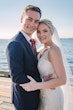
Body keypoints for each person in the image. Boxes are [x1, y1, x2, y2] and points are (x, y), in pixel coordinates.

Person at [20, 19, 67, 110]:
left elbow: (62, 80)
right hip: (42, 93)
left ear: (51, 32)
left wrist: (36, 85)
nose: (41, 35)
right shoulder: (41, 50)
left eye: (45, 31)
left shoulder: (54, 50)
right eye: (38, 32)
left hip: (52, 95)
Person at [6, 5, 43, 110]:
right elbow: (17, 77)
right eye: (29, 19)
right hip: (24, 99)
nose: (32, 24)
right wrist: (44, 81)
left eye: (36, 21)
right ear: (21, 19)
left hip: (33, 95)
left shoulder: (30, 41)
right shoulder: (15, 43)